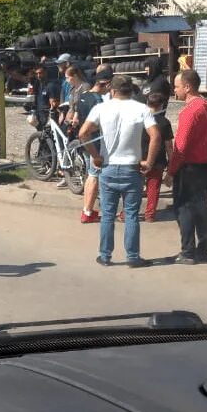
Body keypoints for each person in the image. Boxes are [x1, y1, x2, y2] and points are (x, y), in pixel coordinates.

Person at [78, 75, 161, 268]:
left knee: (107, 214)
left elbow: (83, 133)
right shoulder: (142, 109)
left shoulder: (101, 108)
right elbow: (156, 136)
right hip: (132, 168)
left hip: (108, 167)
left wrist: (96, 156)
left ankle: (105, 256)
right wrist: (149, 161)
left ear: (112, 91)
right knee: (131, 214)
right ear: (131, 91)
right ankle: (133, 256)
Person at [163, 69, 207, 265]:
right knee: (202, 206)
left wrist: (171, 171)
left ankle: (188, 251)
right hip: (206, 164)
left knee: (184, 208)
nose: (175, 90)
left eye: (177, 86)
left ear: (187, 87)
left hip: (189, 167)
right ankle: (203, 249)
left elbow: (181, 146)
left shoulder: (190, 111)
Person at [76, 69, 112, 224]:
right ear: (105, 84)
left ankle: (88, 209)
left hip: (85, 143)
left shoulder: (82, 96)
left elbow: (78, 119)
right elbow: (99, 124)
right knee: (95, 176)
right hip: (95, 144)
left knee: (91, 175)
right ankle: (88, 211)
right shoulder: (98, 101)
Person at [142, 92, 174, 222]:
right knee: (153, 188)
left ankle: (125, 214)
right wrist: (171, 165)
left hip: (138, 159)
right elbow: (169, 147)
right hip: (157, 160)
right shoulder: (165, 122)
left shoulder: (139, 119)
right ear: (161, 106)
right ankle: (149, 215)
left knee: (133, 188)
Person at [27, 65, 61, 131]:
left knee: (48, 137)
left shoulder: (51, 86)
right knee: (41, 137)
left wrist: (50, 118)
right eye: (37, 74)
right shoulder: (38, 84)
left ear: (45, 73)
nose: (38, 75)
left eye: (40, 73)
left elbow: (54, 104)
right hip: (39, 114)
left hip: (47, 115)